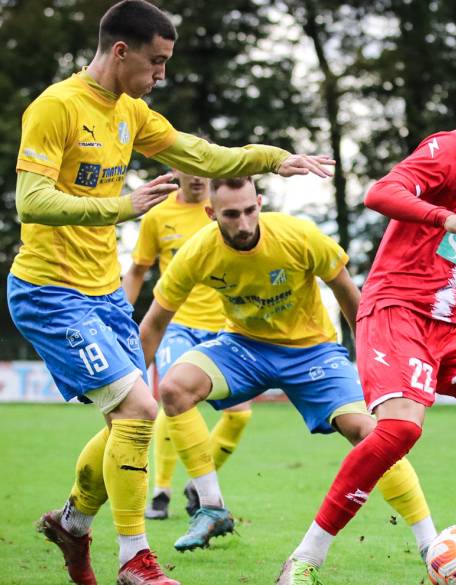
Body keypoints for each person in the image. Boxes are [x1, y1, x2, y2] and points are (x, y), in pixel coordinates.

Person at [6, 2, 334, 584]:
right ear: (121, 51)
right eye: (155, 61)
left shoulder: (131, 111)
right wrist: (121, 206)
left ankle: (73, 523)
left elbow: (202, 155)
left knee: (128, 423)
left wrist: (277, 159)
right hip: (49, 290)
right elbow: (30, 201)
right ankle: (135, 560)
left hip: (104, 293)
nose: (161, 74)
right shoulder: (56, 107)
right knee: (138, 410)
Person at [276, 67, 456, 585]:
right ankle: (304, 560)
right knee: (401, 430)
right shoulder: (453, 148)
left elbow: (452, 261)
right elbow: (380, 193)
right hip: (396, 309)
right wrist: (446, 217)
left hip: (449, 321)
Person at [138, 177, 437, 555]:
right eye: (231, 215)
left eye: (250, 210)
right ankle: (211, 508)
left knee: (371, 433)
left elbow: (348, 293)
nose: (244, 223)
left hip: (313, 352)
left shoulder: (299, 236)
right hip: (244, 347)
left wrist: (372, 360)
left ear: (260, 203)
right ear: (211, 214)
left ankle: (430, 543)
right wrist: (132, 391)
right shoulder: (197, 252)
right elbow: (153, 324)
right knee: (173, 388)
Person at [122, 170, 252, 521]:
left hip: (225, 327)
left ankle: (197, 485)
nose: (197, 178)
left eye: (203, 171)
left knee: (240, 415)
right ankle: (161, 491)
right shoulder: (159, 214)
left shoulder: (227, 209)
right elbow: (137, 270)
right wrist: (119, 315)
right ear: (175, 170)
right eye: (189, 170)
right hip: (176, 325)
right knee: (173, 397)